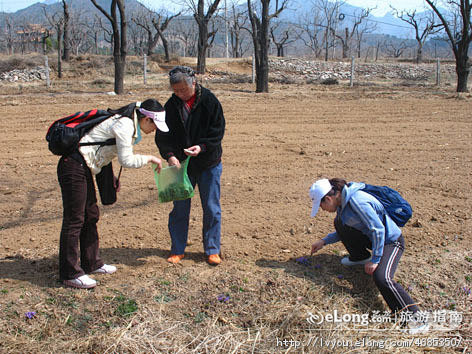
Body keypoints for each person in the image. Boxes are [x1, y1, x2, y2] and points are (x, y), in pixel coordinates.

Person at [57, 99, 167, 289]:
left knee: (90, 215)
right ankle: (70, 273)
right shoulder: (124, 124)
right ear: (146, 120)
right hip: (74, 165)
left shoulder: (128, 122)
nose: (154, 130)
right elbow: (127, 160)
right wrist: (150, 158)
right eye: (155, 126)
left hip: (84, 166)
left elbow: (104, 151)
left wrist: (110, 180)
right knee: (75, 219)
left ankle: (92, 263)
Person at [309, 178, 428, 333]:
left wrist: (376, 259)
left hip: (390, 242)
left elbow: (378, 230)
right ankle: (359, 257)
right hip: (375, 240)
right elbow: (349, 228)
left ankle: (416, 319)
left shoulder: (358, 202)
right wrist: (324, 241)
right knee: (339, 222)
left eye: (321, 205)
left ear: (329, 198)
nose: (322, 210)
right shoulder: (343, 204)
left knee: (382, 277)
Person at [155, 66, 225, 266]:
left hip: (208, 163)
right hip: (181, 166)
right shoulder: (170, 106)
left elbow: (217, 131)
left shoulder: (209, 101)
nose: (180, 94)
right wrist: (169, 156)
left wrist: (202, 147)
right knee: (179, 208)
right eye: (175, 91)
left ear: (193, 83)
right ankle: (177, 249)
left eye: (183, 90)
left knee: (211, 207)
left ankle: (212, 250)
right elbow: (162, 135)